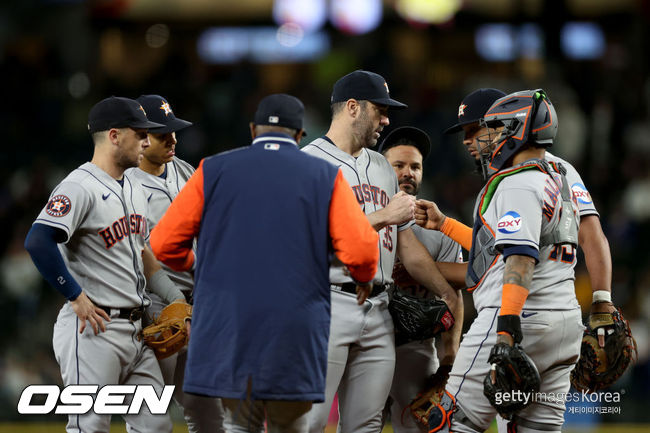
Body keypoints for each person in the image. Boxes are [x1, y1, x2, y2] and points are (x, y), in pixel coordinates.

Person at [149, 93, 380, 433]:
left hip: (228, 322)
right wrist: (363, 276)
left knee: (240, 422)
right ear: (300, 135)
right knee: (288, 424)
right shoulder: (325, 175)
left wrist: (195, 266)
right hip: (294, 324)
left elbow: (163, 244)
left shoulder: (212, 170)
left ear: (253, 129)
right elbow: (361, 249)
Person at [301, 70, 462, 433]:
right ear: (353, 108)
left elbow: (408, 246)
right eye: (380, 110)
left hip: (379, 309)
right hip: (324, 303)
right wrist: (381, 216)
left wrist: (446, 292)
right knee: (307, 421)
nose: (387, 120)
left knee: (366, 424)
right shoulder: (307, 164)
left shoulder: (381, 167)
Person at [417, 89, 584, 432]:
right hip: (564, 323)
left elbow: (519, 259)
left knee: (450, 423)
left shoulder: (517, 183)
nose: (473, 140)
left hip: (516, 318)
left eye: (485, 128)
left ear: (514, 128)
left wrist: (506, 332)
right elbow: (496, 247)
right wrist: (444, 224)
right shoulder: (557, 176)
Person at [24, 96, 188, 433]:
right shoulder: (78, 186)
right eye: (140, 134)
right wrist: (74, 295)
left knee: (156, 426)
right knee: (90, 426)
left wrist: (176, 298)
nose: (147, 140)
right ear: (114, 136)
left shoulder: (133, 186)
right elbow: (38, 240)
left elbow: (143, 254)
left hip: (136, 329)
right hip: (93, 329)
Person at [128, 94, 225, 433]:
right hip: (155, 307)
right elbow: (137, 252)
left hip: (198, 304)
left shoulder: (185, 170)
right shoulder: (125, 183)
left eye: (173, 131)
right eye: (161, 134)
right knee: (151, 419)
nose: (172, 139)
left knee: (209, 412)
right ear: (140, 137)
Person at [378, 126, 464, 433]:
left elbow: (453, 295)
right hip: (367, 339)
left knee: (424, 428)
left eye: (415, 166)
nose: (408, 173)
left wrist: (449, 358)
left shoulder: (438, 225)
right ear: (379, 167)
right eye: (398, 165)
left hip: (415, 348)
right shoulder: (367, 216)